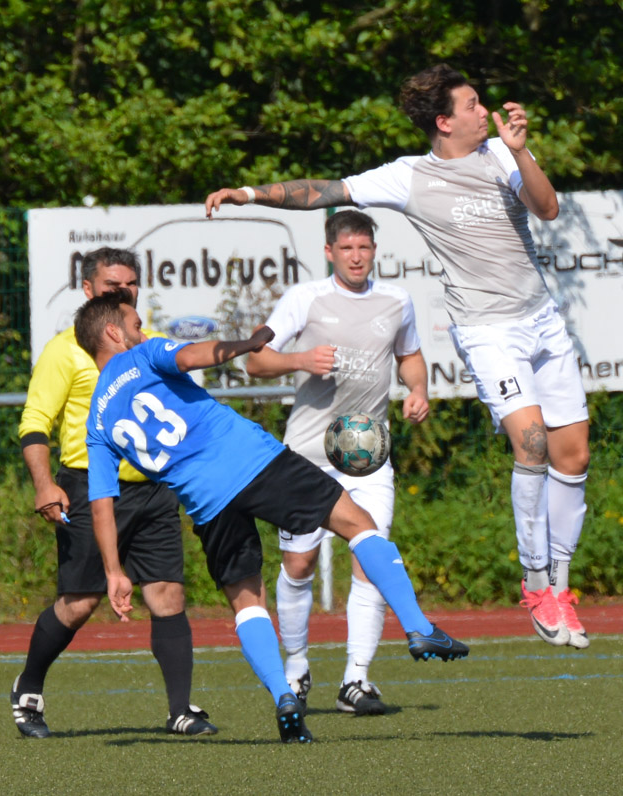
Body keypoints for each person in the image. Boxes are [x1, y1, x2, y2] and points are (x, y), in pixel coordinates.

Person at [205, 64, 591, 649]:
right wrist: (250, 194)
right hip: (487, 329)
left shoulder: (502, 153)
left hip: (542, 319)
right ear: (443, 121)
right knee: (532, 442)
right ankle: (536, 582)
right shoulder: (408, 176)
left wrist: (521, 151)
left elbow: (548, 208)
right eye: (472, 104)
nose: (484, 112)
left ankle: (560, 583)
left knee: (573, 454)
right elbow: (325, 192)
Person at [74, 290, 468, 743]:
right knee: (358, 524)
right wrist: (245, 345)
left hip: (206, 503)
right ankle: (418, 627)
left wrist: (113, 571)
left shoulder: (97, 422)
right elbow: (192, 356)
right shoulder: (142, 355)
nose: (142, 332)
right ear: (113, 333)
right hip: (255, 463)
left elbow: (101, 502)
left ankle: (284, 694)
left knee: (247, 602)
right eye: (135, 325)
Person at [14, 247, 215, 739]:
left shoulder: (151, 343)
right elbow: (35, 421)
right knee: (80, 603)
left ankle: (180, 710)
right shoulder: (66, 349)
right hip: (89, 489)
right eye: (111, 285)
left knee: (167, 593)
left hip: (153, 488)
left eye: (129, 284)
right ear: (88, 290)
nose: (122, 292)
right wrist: (44, 483)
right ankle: (28, 688)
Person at [245, 209, 429, 717]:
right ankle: (297, 666)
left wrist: (418, 389)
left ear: (374, 251)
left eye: (363, 248)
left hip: (367, 456)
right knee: (298, 564)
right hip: (305, 456)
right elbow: (255, 359)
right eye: (346, 248)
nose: (355, 257)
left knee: (372, 560)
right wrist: (299, 360)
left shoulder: (396, 300)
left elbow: (410, 355)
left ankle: (357, 679)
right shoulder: (304, 298)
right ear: (329, 252)